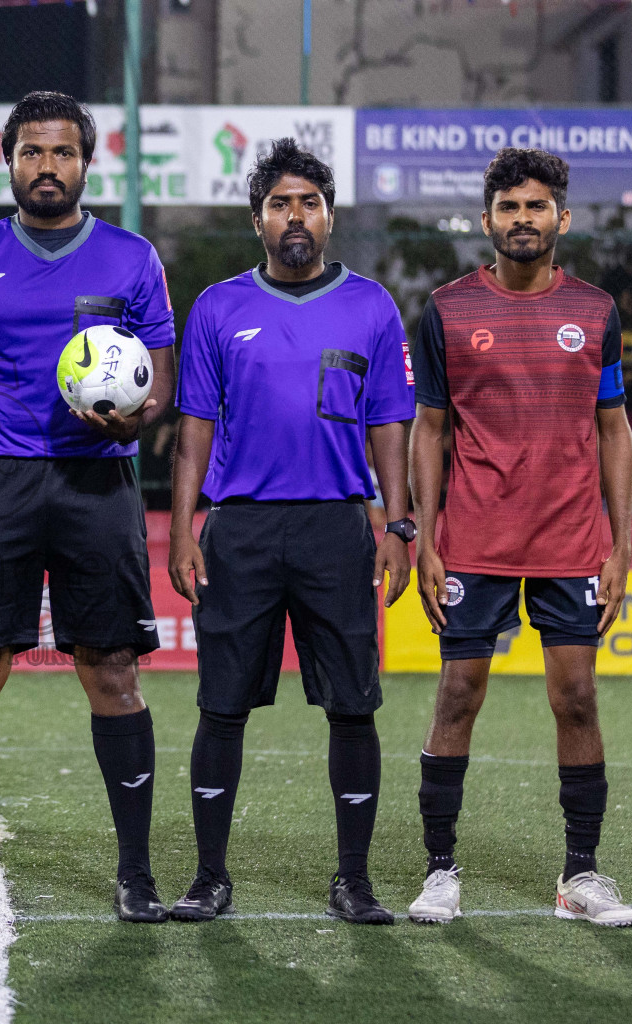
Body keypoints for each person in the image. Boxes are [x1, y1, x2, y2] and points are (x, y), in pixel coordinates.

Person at [0, 92, 177, 924]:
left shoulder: (133, 258)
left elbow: (161, 381)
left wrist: (137, 415)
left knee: (113, 672)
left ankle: (136, 873)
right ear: (10, 158)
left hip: (99, 481)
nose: (47, 167)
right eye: (32, 152)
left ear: (86, 163)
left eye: (62, 153)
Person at [168, 139, 415, 925]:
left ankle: (355, 880)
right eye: (280, 203)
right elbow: (194, 427)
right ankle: (210, 877)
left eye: (308, 201)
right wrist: (182, 529)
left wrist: (398, 522)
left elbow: (390, 425)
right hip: (239, 527)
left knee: (352, 705)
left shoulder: (372, 306)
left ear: (330, 217)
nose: (295, 215)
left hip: (337, 528)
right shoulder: (216, 306)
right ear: (258, 220)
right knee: (221, 706)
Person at [408, 148, 632, 927]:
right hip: (473, 540)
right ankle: (440, 870)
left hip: (572, 539)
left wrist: (621, 543)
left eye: (536, 207)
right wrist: (428, 540)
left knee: (576, 699)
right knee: (458, 695)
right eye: (508, 208)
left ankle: (582, 875)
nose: (523, 220)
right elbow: (430, 429)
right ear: (487, 222)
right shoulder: (445, 310)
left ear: (561, 218)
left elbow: (614, 429)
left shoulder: (598, 311)